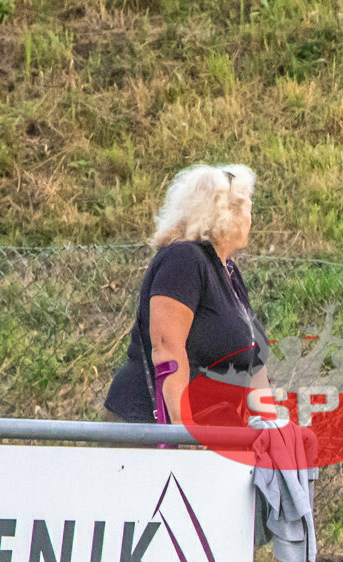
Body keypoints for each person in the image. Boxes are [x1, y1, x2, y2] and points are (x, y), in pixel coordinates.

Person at [105, 164, 269, 424]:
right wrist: (185, 429)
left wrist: (270, 427)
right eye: (249, 207)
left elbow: (255, 360)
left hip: (209, 432)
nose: (252, 218)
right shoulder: (184, 260)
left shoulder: (228, 272)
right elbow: (167, 348)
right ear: (228, 213)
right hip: (148, 431)